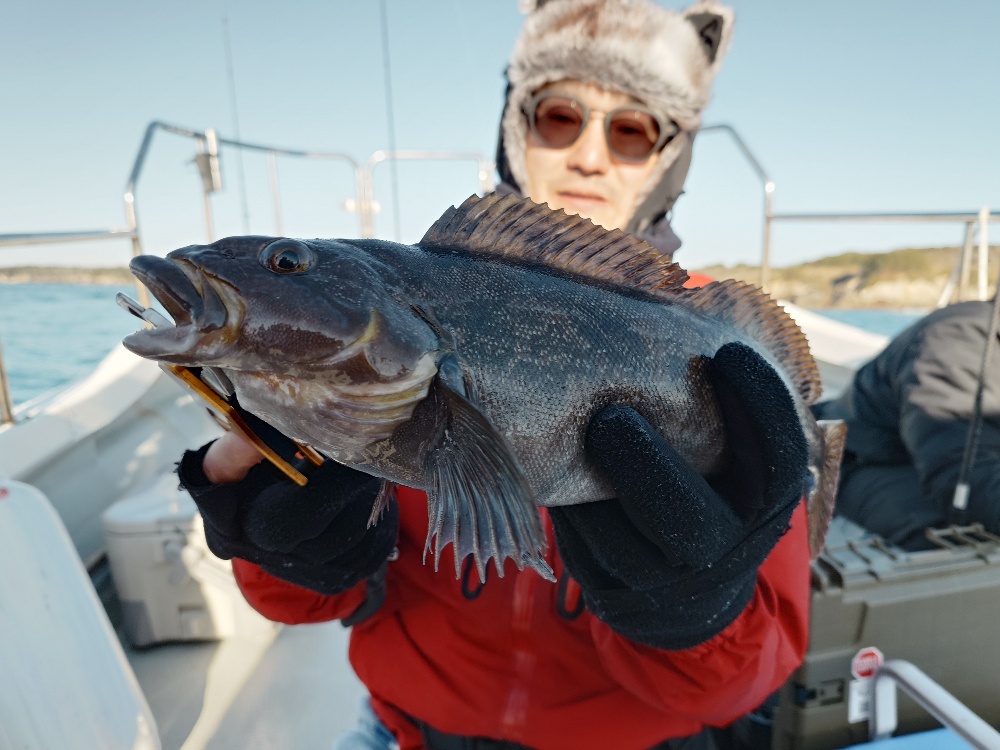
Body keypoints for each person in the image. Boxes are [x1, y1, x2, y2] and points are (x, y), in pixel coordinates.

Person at [177, 2, 813, 748]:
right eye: (558, 117)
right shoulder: (371, 328)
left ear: (671, 159)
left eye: (633, 131)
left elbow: (747, 680)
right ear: (515, 129)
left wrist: (701, 612)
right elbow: (307, 607)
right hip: (407, 731)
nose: (590, 155)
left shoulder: (728, 356)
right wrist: (269, 536)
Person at [814, 299, 1000, 550]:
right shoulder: (958, 339)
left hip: (939, 461)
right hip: (863, 462)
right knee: (957, 542)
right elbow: (964, 473)